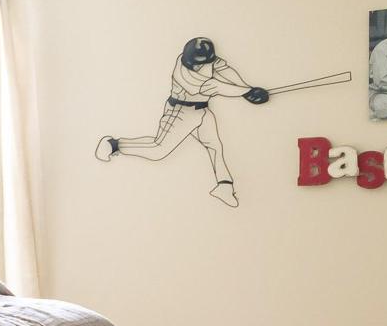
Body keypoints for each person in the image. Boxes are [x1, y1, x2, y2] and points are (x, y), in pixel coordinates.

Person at [94, 36, 270, 207]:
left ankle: (224, 187)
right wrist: (246, 92)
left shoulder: (208, 60)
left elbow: (224, 70)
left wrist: (246, 87)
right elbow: (217, 87)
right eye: (197, 63)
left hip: (201, 110)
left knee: (214, 146)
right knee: (158, 150)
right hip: (181, 112)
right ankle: (113, 144)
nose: (199, 66)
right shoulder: (184, 73)